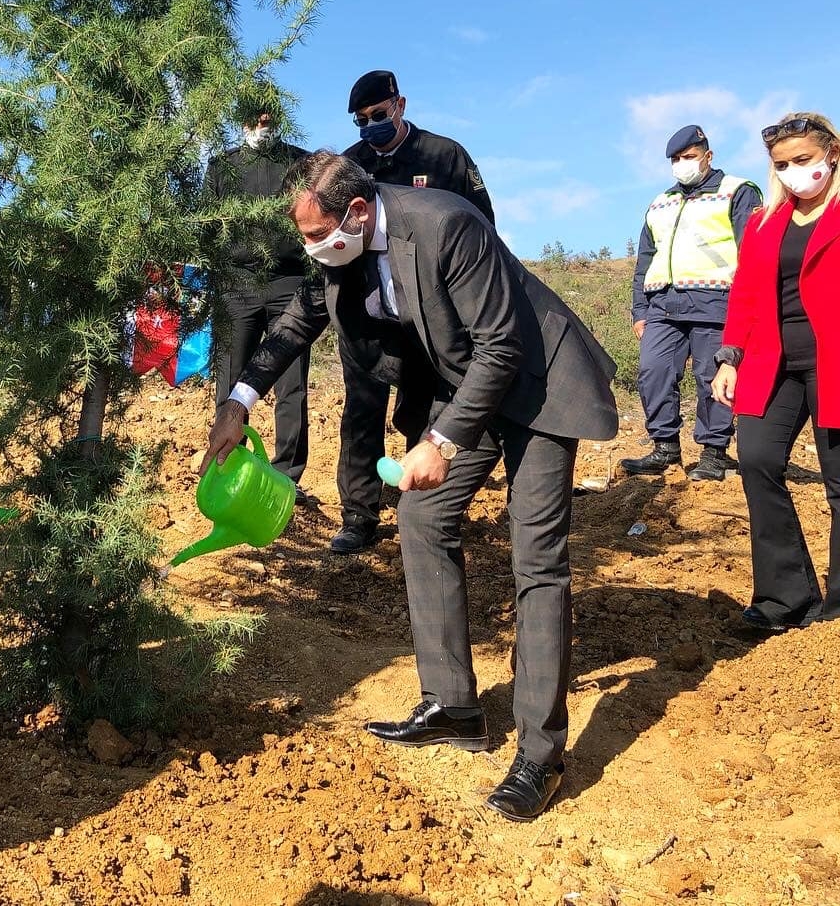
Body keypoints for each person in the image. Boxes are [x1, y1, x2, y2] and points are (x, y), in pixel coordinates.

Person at [205, 151, 617, 821]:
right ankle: (454, 707)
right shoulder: (346, 248)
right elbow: (296, 321)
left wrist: (442, 440)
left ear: (358, 212)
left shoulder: (447, 224)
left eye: (317, 234)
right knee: (423, 520)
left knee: (536, 559)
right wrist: (241, 397)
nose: (312, 249)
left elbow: (502, 345)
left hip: (539, 385)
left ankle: (541, 757)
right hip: (473, 388)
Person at [329, 69, 495, 555]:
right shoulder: (351, 165)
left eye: (377, 115)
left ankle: (418, 507)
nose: (370, 127)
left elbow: (481, 228)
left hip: (427, 317)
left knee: (422, 412)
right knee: (362, 411)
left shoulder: (445, 156)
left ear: (399, 106)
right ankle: (358, 516)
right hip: (368, 316)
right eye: (361, 121)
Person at [713, 112, 840, 634]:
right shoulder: (766, 220)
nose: (793, 172)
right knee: (757, 460)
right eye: (782, 164)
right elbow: (744, 292)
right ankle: (784, 599)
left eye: (803, 161)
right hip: (772, 360)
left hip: (832, 357)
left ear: (832, 154)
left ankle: (837, 607)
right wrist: (729, 356)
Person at [621, 125, 761, 481]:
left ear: (708, 156)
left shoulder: (737, 192)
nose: (682, 164)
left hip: (717, 303)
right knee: (653, 372)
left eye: (689, 157)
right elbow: (645, 259)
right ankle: (664, 447)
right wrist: (640, 310)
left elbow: (753, 253)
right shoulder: (660, 202)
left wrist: (747, 310)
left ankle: (714, 453)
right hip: (662, 306)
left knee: (711, 378)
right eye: (676, 159)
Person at [206, 103, 311, 494]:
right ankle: (229, 466)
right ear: (242, 119)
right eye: (255, 118)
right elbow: (208, 228)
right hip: (237, 285)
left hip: (290, 283)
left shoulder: (299, 164)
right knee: (231, 381)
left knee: (292, 385)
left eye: (269, 119)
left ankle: (287, 477)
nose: (262, 126)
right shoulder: (221, 167)